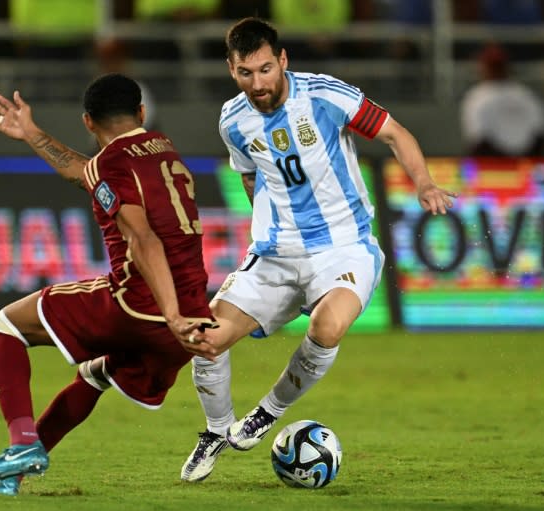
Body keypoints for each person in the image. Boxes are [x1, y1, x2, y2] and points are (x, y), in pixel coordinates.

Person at [176, 17, 457, 483]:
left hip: (344, 248)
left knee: (329, 325)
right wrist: (266, 223)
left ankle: (266, 413)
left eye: (266, 69)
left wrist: (423, 183)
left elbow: (394, 133)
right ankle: (214, 431)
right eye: (246, 73)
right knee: (205, 338)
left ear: (282, 61)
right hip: (276, 252)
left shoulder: (326, 95)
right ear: (231, 69)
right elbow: (248, 173)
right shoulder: (233, 119)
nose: (258, 83)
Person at [0, 73, 216, 496]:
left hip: (144, 306)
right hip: (192, 316)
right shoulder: (162, 148)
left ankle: (22, 445)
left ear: (87, 122)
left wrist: (168, 314)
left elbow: (142, 238)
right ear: (141, 113)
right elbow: (87, 173)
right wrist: (32, 134)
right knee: (94, 375)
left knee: (3, 326)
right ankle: (14, 475)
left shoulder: (111, 164)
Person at [460, 43, 544, 157]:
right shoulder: (525, 94)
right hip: (520, 162)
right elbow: (541, 137)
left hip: (498, 165)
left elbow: (477, 141)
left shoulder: (477, 97)